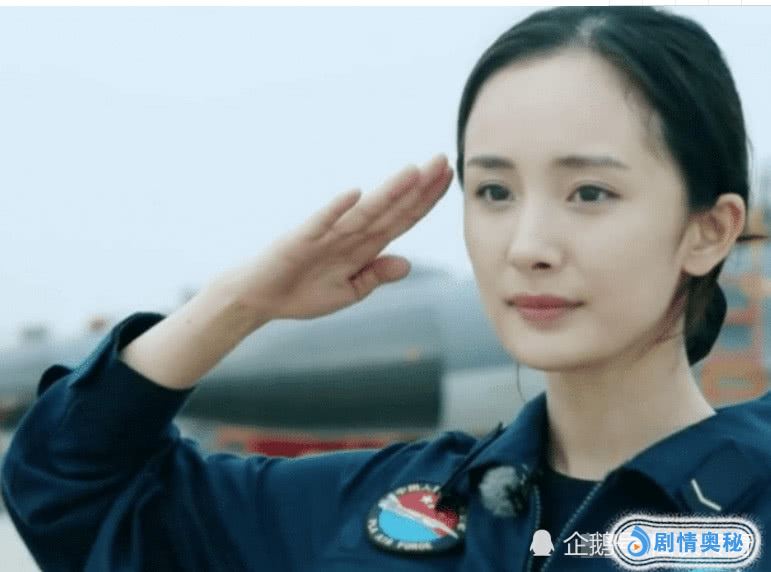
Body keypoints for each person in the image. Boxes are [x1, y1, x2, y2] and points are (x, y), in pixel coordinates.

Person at [2, 6, 770, 571]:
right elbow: (71, 488)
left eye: (589, 193)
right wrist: (238, 305)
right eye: (494, 192)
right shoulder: (376, 510)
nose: (527, 246)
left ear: (708, 230)